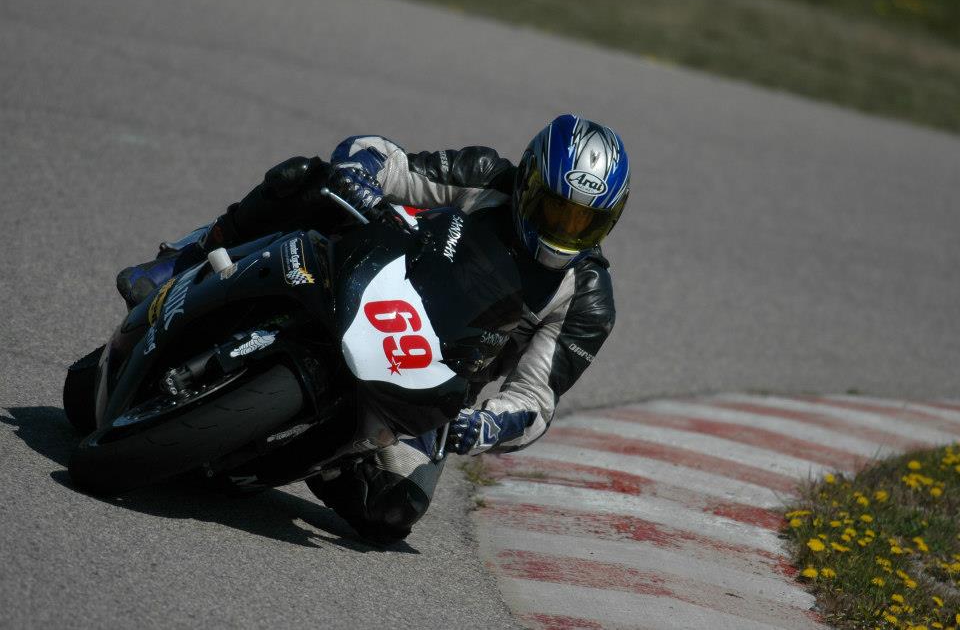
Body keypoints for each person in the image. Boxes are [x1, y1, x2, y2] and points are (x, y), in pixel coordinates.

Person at [116, 114, 629, 543]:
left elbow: (534, 399)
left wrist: (489, 423)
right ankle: (182, 259)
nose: (565, 229)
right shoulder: (487, 178)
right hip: (378, 277)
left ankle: (327, 460)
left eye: (585, 222)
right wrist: (358, 172)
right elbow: (388, 158)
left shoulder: (587, 301)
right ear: (529, 182)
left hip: (431, 375)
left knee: (393, 511)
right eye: (556, 210)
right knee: (305, 179)